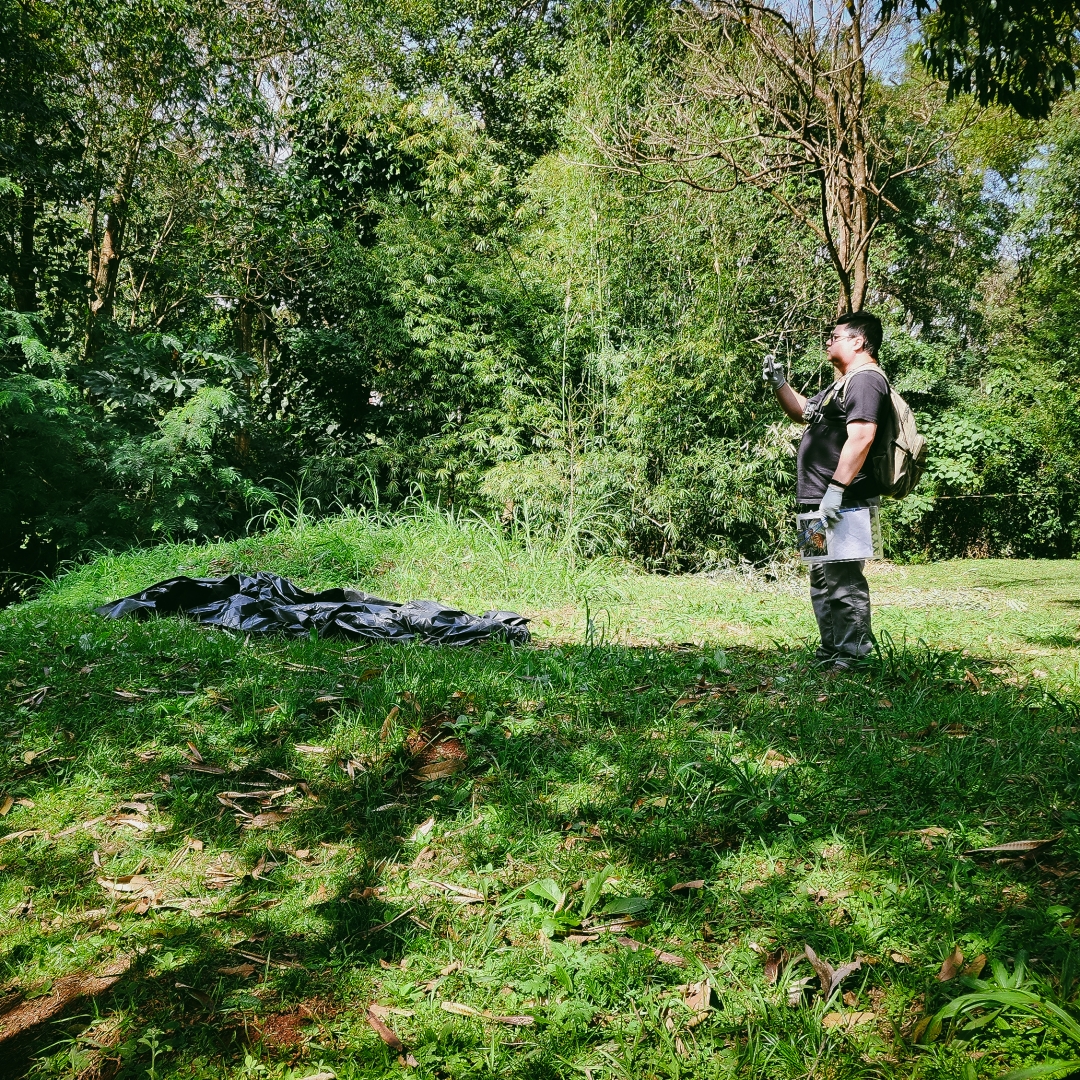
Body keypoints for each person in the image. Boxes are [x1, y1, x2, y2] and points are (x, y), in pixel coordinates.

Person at [762, 311, 892, 670]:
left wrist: (836, 489)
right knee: (821, 578)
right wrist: (780, 384)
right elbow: (804, 412)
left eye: (834, 337)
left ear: (858, 341)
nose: (828, 342)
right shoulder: (843, 382)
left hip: (843, 500)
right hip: (815, 499)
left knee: (844, 580)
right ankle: (832, 651)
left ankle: (855, 657)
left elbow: (862, 435)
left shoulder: (866, 380)